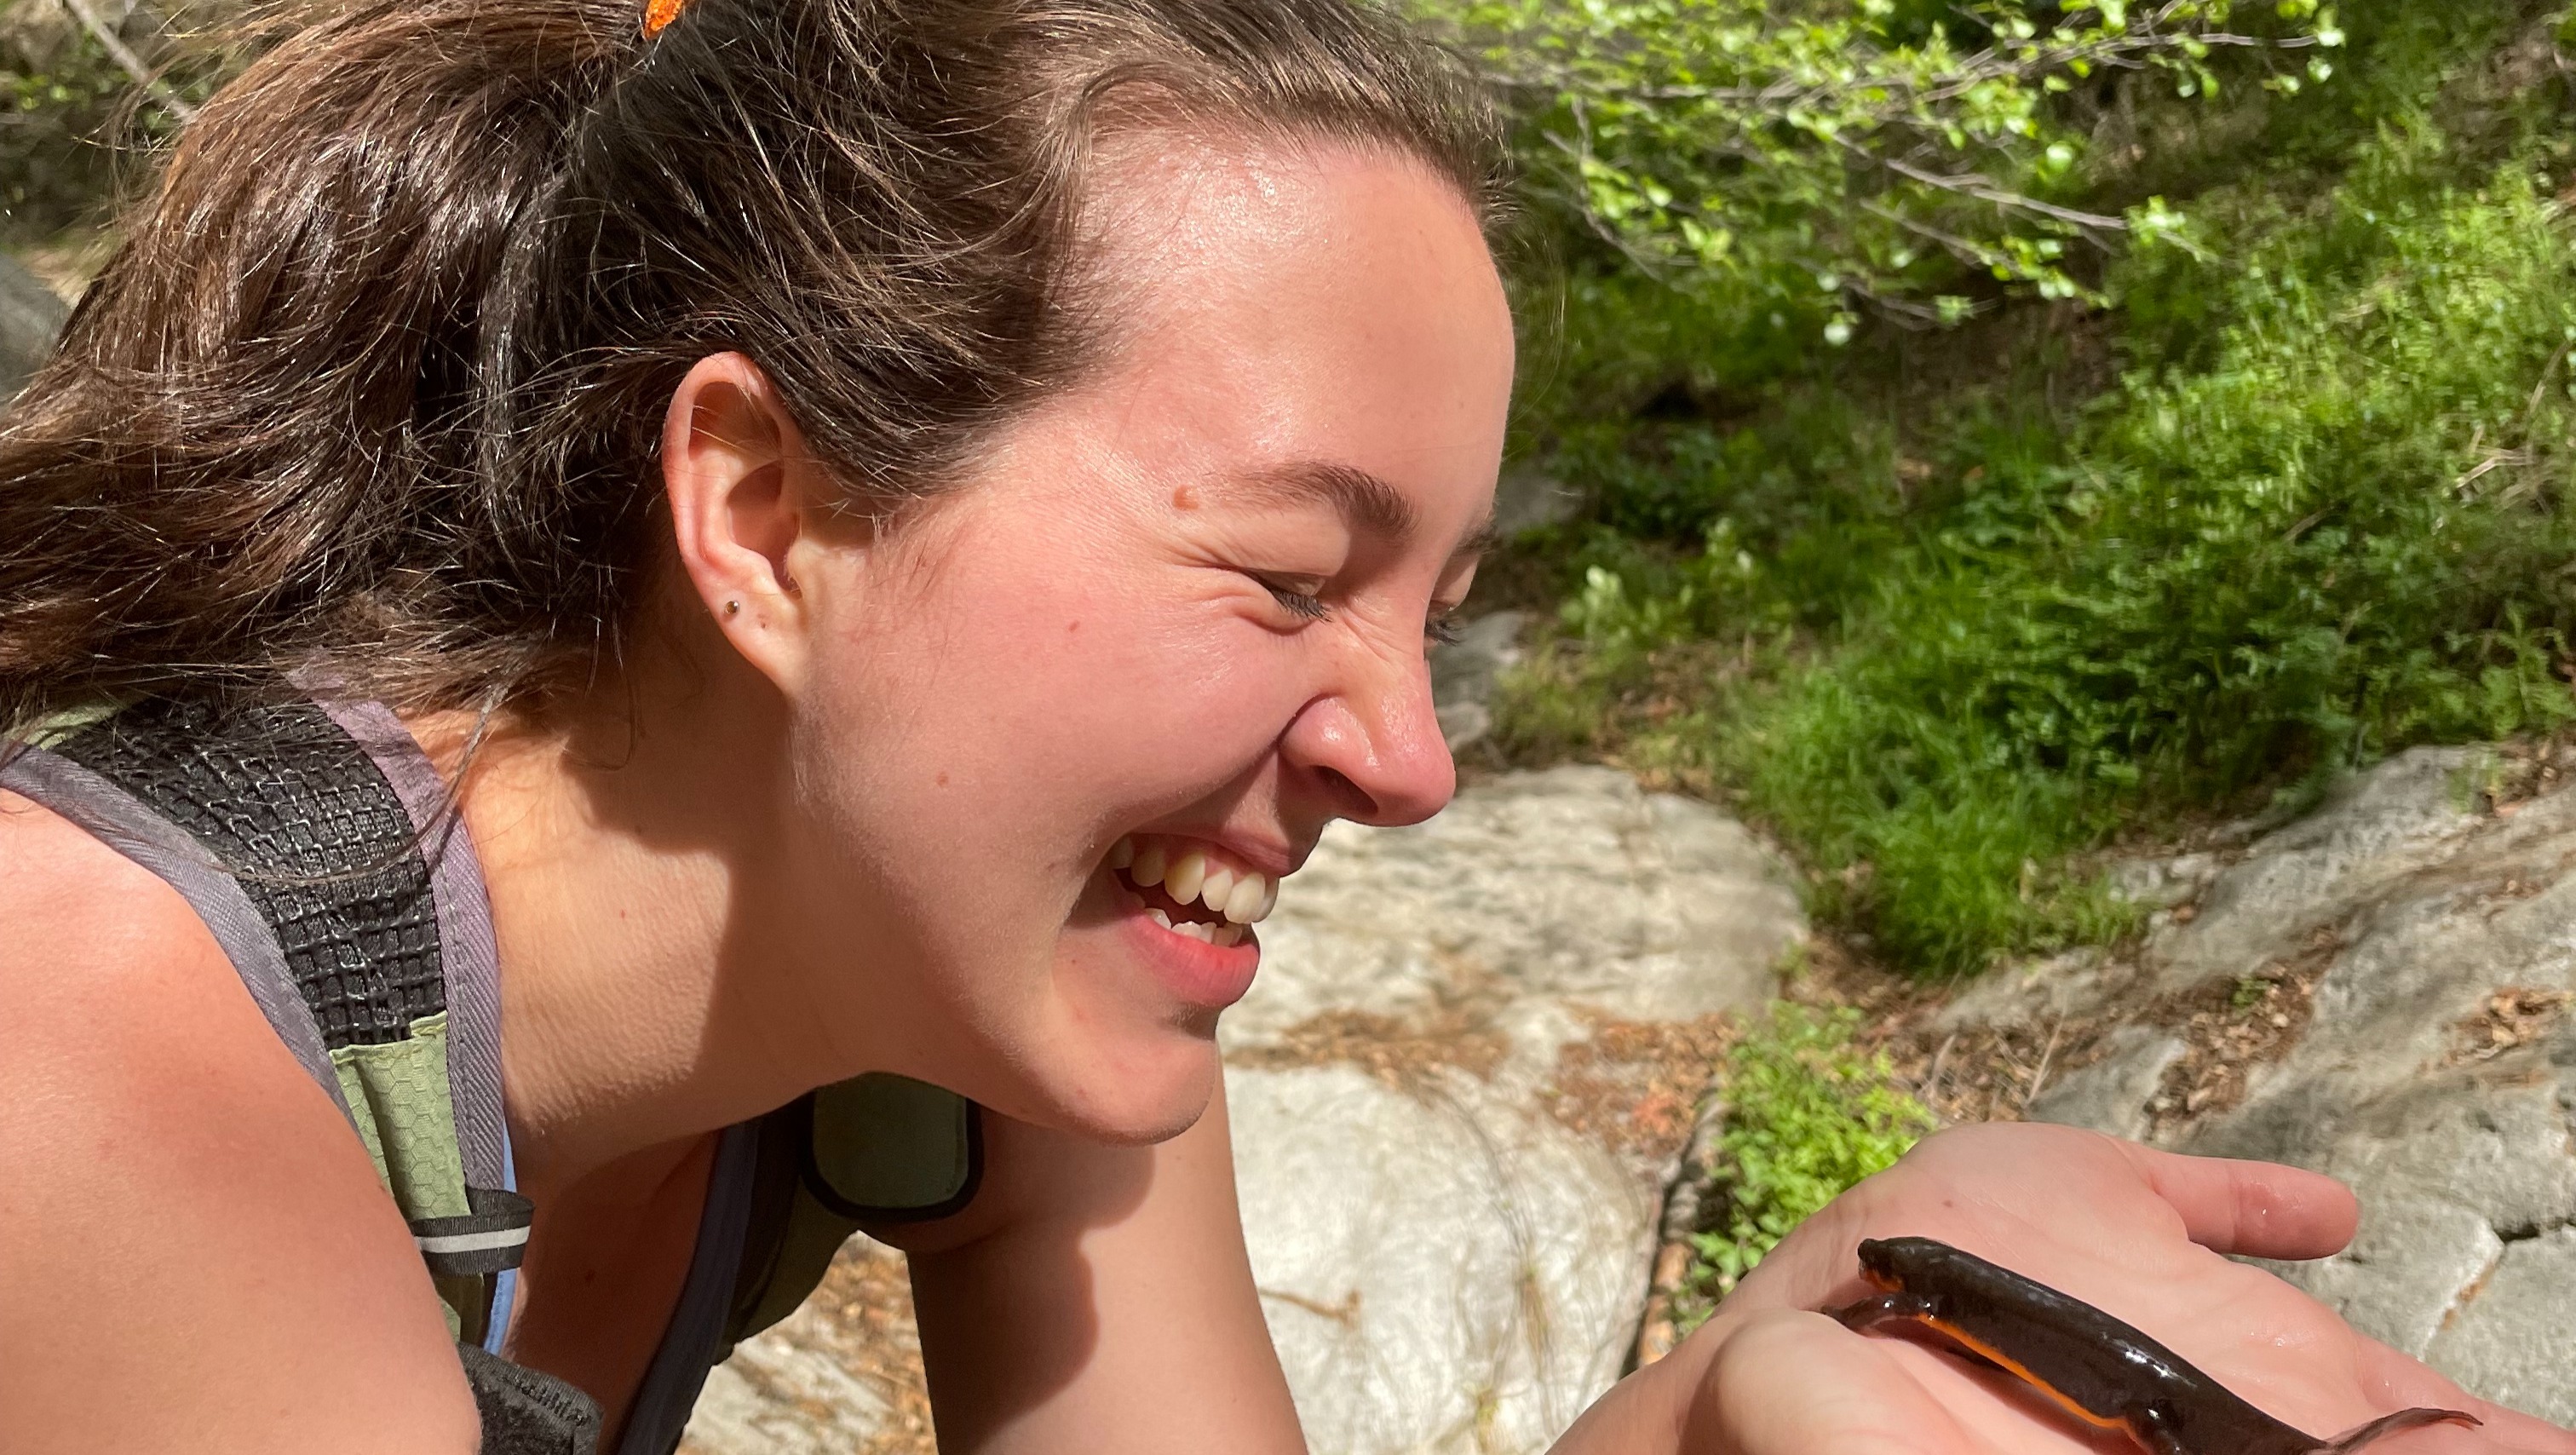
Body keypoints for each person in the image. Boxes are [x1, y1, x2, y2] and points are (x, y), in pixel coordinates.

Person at [0, 0, 2568, 1450]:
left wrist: (1736, 1387)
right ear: (766, 510)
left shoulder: (959, 975)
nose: (1413, 762)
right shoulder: (95, 1063)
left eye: (1437, 607)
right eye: (1286, 574)